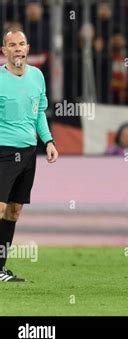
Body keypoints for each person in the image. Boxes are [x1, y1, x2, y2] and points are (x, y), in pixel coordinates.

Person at [0, 30, 59, 282]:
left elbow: (38, 114)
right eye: (11, 45)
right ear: (4, 51)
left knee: (13, 211)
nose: (17, 49)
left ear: (27, 48)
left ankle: (0, 269)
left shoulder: (37, 76)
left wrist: (48, 141)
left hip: (28, 153)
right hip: (3, 151)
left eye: (21, 44)